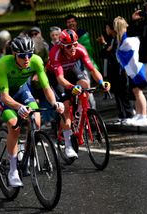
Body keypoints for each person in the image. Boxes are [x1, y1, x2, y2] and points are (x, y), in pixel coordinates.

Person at [0, 35, 64, 187]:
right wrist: (19, 107)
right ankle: (12, 170)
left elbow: (46, 87)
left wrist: (55, 102)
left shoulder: (36, 61)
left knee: (36, 121)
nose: (27, 59)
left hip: (21, 89)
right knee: (14, 126)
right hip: (3, 93)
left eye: (29, 55)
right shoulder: (3, 64)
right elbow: (4, 97)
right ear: (14, 55)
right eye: (22, 56)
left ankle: (26, 153)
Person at [46, 29, 110, 159]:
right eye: (69, 46)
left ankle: (82, 113)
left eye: (75, 44)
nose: (73, 48)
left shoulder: (80, 49)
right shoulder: (56, 53)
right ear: (62, 46)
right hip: (57, 76)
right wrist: (72, 87)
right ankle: (68, 144)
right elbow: (60, 79)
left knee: (85, 86)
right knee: (66, 108)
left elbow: (92, 69)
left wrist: (102, 82)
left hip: (72, 69)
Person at [97, 20, 134, 125]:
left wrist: (108, 50)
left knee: (123, 92)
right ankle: (122, 115)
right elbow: (104, 53)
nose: (106, 30)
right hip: (114, 71)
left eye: (108, 27)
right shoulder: (112, 39)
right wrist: (107, 48)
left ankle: (129, 114)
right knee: (118, 93)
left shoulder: (119, 39)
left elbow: (112, 54)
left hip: (120, 70)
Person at [114, 16, 147, 126]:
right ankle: (138, 115)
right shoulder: (124, 39)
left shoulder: (128, 39)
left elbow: (132, 56)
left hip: (136, 69)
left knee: (139, 92)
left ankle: (143, 116)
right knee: (136, 92)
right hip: (132, 70)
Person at [65, 14, 97, 109]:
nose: (71, 24)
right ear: (66, 24)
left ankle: (92, 111)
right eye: (69, 22)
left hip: (83, 66)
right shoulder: (65, 35)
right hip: (71, 67)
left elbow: (87, 50)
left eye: (72, 21)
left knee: (86, 89)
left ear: (76, 22)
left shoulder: (82, 33)